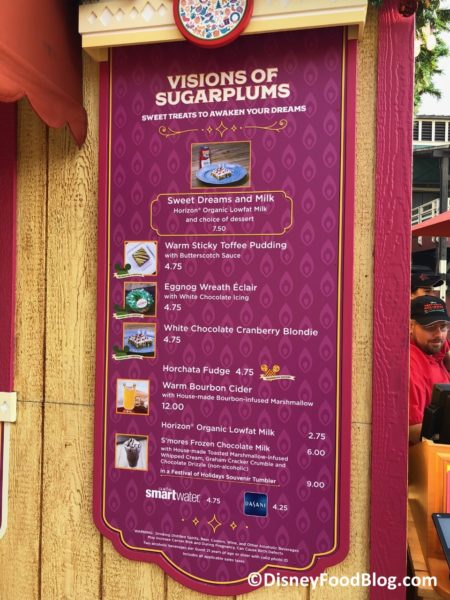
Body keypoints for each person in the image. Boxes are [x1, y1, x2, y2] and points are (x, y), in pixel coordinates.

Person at [409, 295, 450, 444]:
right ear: (411, 326)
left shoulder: (436, 351)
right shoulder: (410, 365)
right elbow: (409, 430)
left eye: (443, 327)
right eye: (430, 327)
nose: (439, 334)